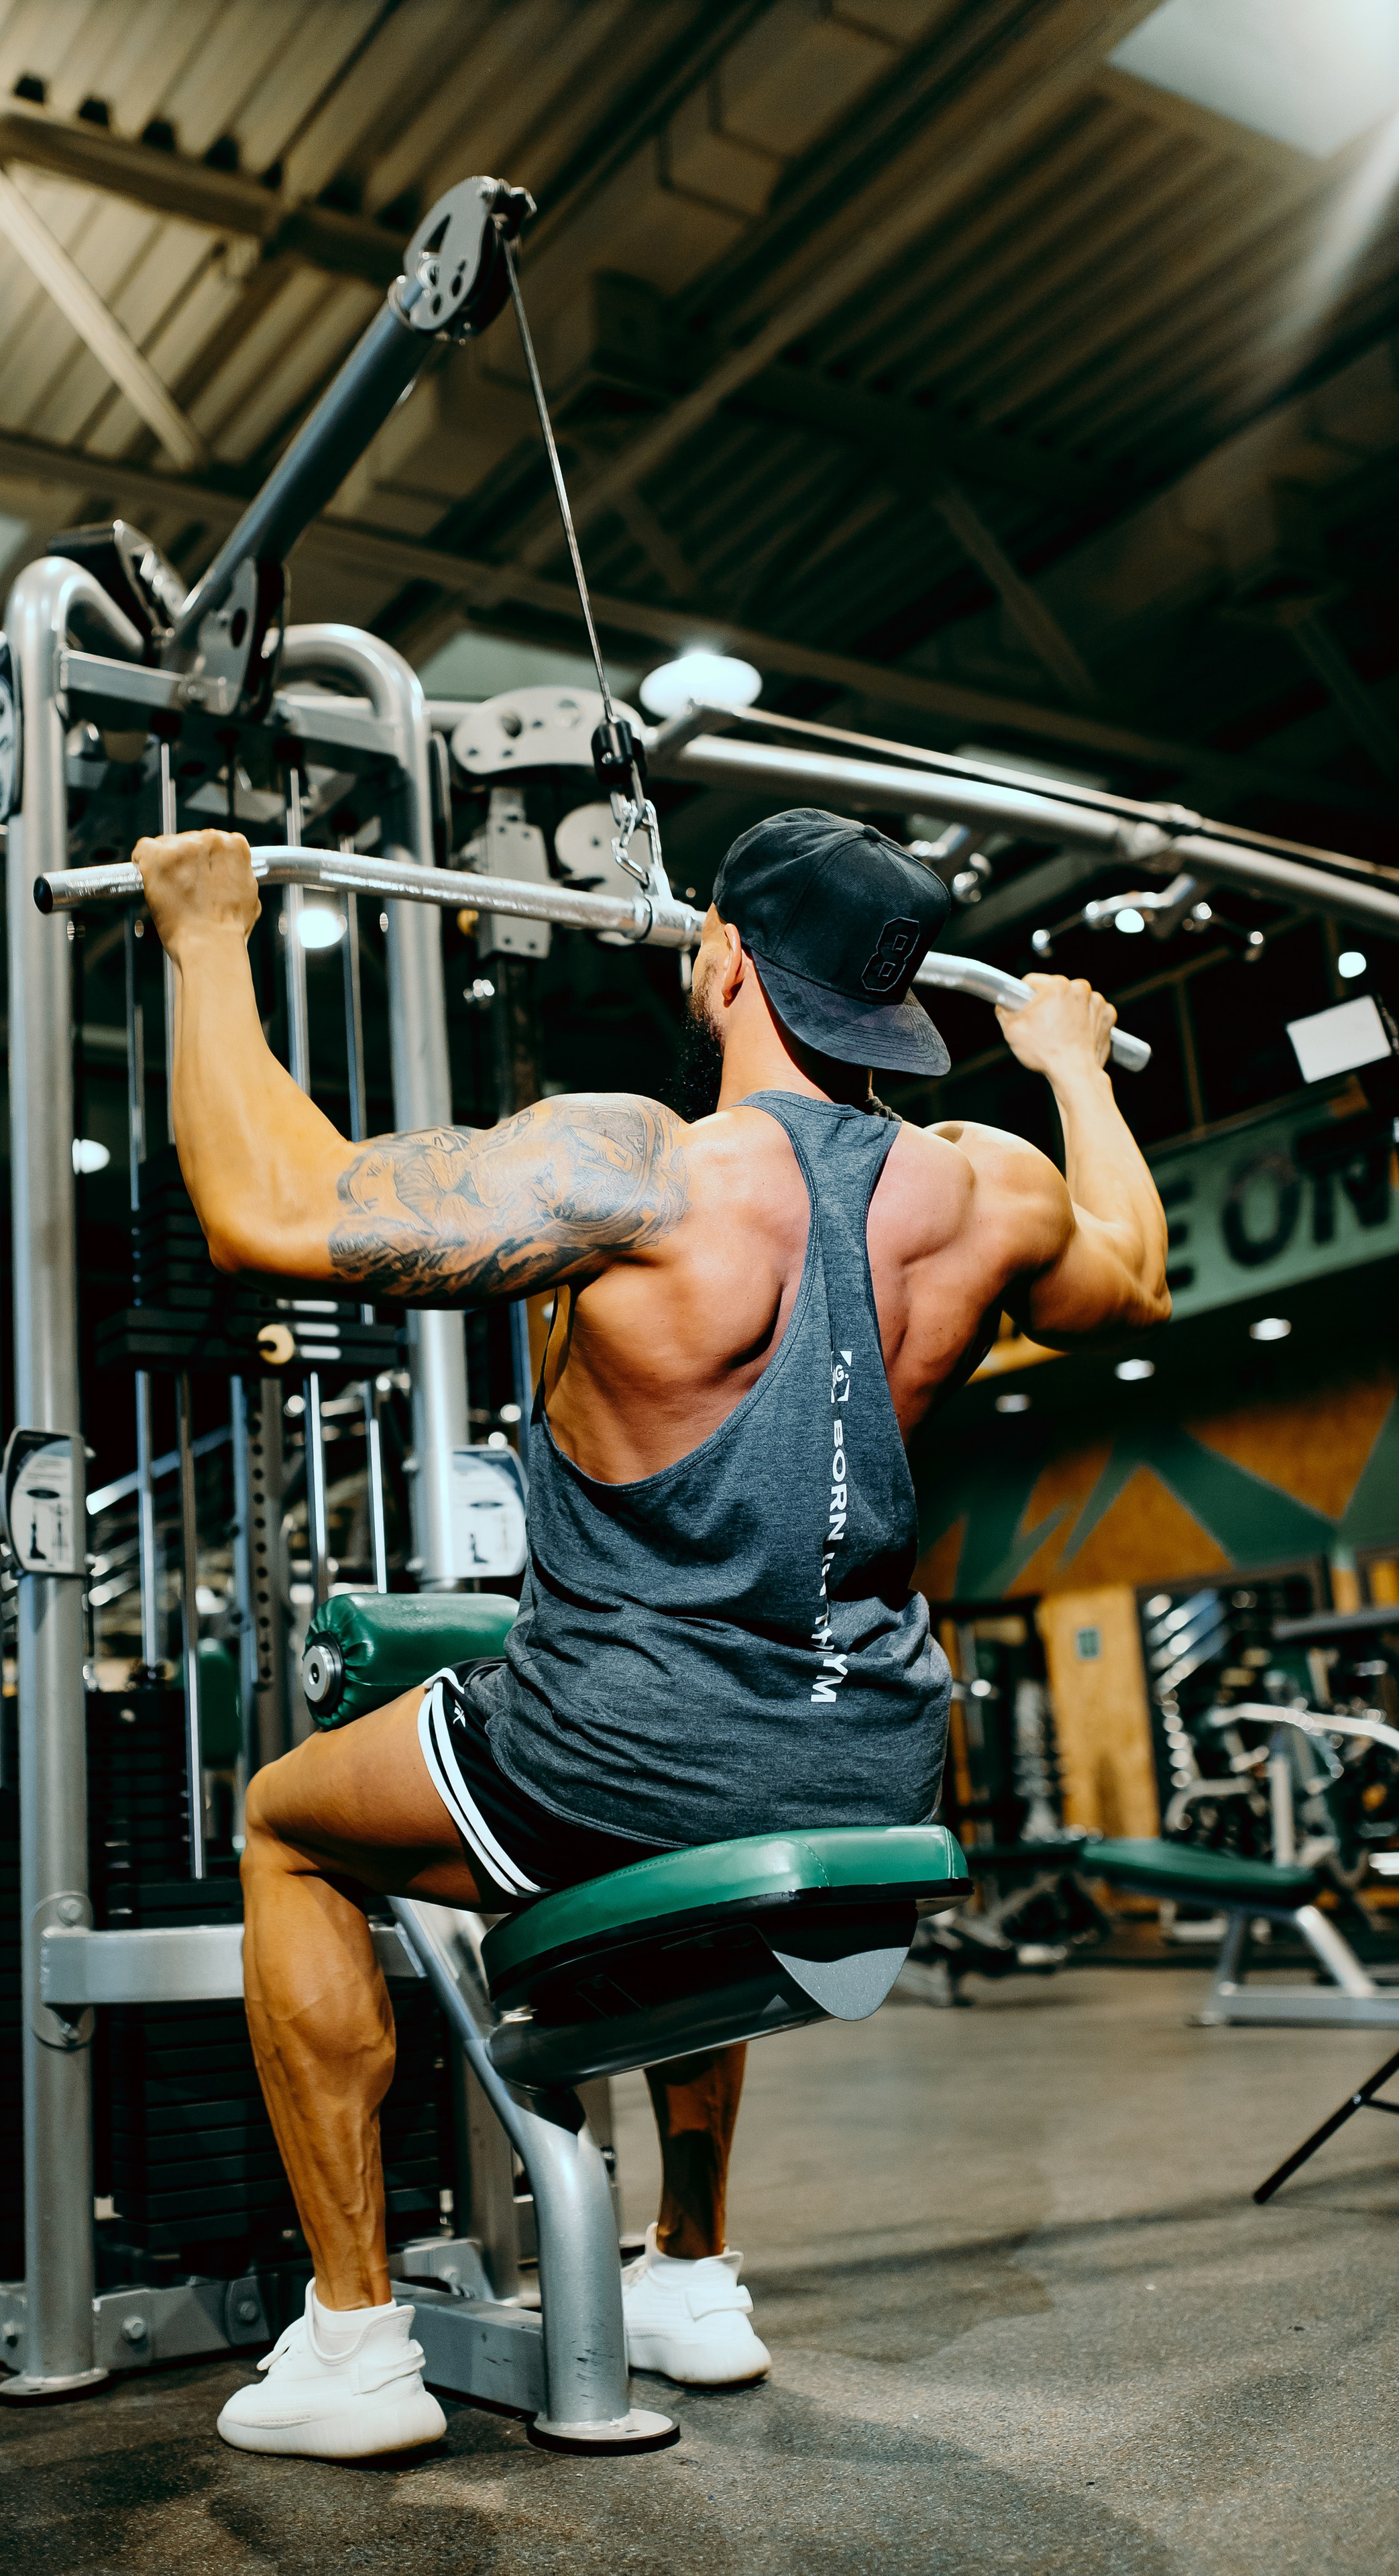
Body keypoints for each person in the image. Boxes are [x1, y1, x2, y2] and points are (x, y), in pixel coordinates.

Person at [135, 806, 1170, 2460]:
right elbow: (1136, 1277)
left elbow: (273, 1210)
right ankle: (690, 2271)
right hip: (873, 1766)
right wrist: (1070, 1064)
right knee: (715, 1820)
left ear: (726, 959)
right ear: (893, 1008)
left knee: (286, 1826)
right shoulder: (993, 1190)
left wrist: (203, 935)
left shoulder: (640, 1166)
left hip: (617, 1754)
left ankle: (350, 2345)